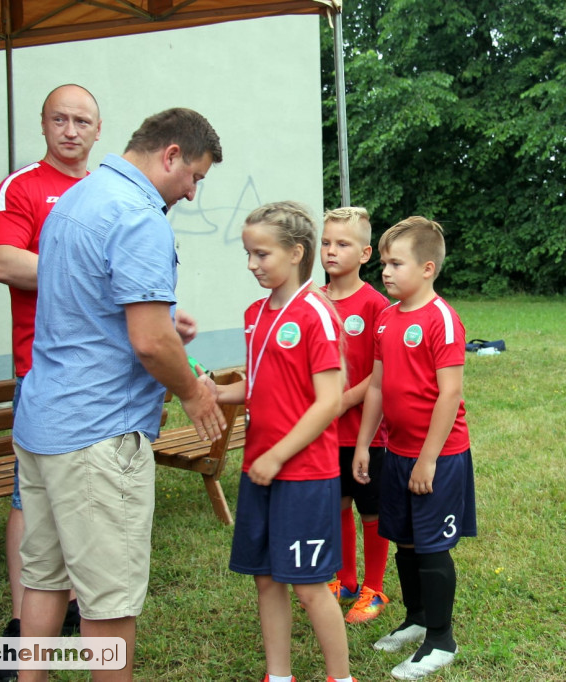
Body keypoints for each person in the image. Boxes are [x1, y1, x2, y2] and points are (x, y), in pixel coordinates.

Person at [12, 108, 226, 682]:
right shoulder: (138, 214)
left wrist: (158, 319)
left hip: (42, 422)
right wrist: (193, 392)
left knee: (44, 581)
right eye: (195, 177)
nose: (191, 192)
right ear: (172, 154)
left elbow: (84, 302)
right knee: (108, 605)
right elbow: (151, 344)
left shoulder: (75, 200)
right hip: (97, 436)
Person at [214, 202, 357, 682]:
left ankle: (342, 678)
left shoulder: (318, 314)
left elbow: (328, 401)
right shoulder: (255, 313)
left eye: (262, 254)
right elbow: (257, 384)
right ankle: (279, 676)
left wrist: (277, 455)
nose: (252, 264)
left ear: (296, 253)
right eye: (248, 254)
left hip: (303, 474)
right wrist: (217, 392)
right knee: (266, 579)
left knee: (310, 587)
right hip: (261, 469)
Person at [0, 83, 101, 673]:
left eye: (83, 120)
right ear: (44, 124)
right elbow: (3, 261)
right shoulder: (22, 187)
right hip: (44, 372)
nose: (71, 130)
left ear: (98, 131)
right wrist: (86, 270)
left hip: (103, 379)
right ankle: (20, 620)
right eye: (61, 118)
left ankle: (77, 606)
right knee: (29, 499)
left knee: (86, 498)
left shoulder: (107, 193)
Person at [353, 217, 476, 681]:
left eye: (395, 263)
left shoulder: (441, 319)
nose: (385, 271)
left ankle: (441, 640)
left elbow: (449, 394)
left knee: (431, 546)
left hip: (438, 457)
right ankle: (418, 617)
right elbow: (379, 389)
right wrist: (365, 443)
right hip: (396, 451)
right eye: (383, 262)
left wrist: (428, 458)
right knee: (403, 539)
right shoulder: (386, 318)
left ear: (427, 268)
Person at [319, 206, 392, 623]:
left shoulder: (376, 306)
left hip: (368, 434)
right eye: (326, 243)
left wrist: (343, 401)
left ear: (365, 253)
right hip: (325, 433)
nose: (331, 251)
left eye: (342, 244)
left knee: (371, 509)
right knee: (338, 504)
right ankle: (345, 578)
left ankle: (375, 588)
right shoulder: (312, 301)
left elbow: (382, 375)